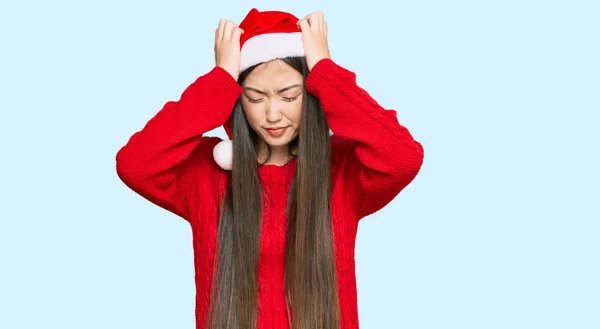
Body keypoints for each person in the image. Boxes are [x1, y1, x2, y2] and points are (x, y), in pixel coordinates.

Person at [116, 7, 424, 329]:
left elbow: (403, 158)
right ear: (238, 98)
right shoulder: (206, 173)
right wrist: (219, 80)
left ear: (311, 92)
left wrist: (325, 71)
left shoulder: (342, 170)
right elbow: (135, 164)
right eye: (256, 97)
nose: (273, 114)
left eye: (290, 96)